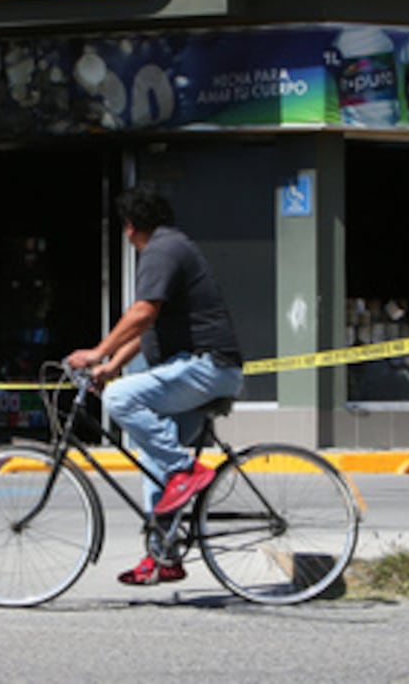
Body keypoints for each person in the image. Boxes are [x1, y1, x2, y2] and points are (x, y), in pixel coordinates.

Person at [67, 183, 243, 586]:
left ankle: (186, 470)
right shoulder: (171, 246)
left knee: (119, 398)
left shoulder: (161, 251)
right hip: (199, 368)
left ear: (130, 227)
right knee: (153, 455)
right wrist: (111, 364)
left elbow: (143, 313)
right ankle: (163, 555)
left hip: (206, 366)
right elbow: (146, 331)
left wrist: (96, 353)